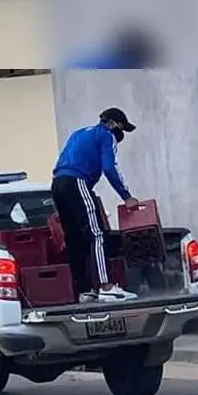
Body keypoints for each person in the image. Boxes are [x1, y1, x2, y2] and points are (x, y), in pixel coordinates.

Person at [52, 107, 140, 302]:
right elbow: (109, 168)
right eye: (122, 129)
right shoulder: (106, 135)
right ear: (114, 124)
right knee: (97, 234)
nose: (120, 135)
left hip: (58, 184)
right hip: (77, 181)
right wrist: (126, 196)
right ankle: (107, 286)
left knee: (74, 238)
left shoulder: (79, 133)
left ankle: (84, 291)